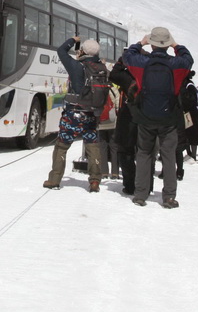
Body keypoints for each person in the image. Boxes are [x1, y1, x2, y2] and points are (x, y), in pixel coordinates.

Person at [123, 27, 193, 209]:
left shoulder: (141, 62)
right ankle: (169, 196)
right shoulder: (177, 64)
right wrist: (176, 44)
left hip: (145, 116)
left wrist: (140, 43)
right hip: (169, 118)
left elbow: (128, 56)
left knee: (144, 154)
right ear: (167, 45)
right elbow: (188, 59)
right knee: (169, 155)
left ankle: (140, 194)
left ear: (152, 44)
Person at [43, 36, 107, 192]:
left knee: (61, 146)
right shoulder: (102, 68)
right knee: (92, 146)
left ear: (83, 51)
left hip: (73, 114)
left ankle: (54, 180)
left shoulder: (76, 66)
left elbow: (61, 50)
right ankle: (94, 181)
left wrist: (73, 39)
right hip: (91, 114)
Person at [110, 57, 138, 195]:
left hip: (128, 116)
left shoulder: (126, 77)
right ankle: (146, 185)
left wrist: (121, 61)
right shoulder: (148, 73)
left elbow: (112, 75)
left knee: (126, 151)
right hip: (148, 118)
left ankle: (130, 185)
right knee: (146, 154)